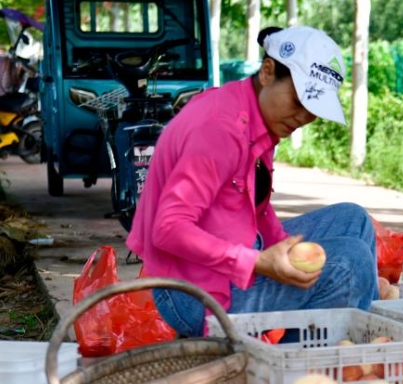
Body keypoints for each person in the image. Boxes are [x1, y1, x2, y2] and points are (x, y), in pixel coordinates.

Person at [127, 25, 378, 337]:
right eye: (298, 102)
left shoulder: (258, 117)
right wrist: (258, 261)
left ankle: (356, 340)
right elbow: (167, 229)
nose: (302, 117)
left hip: (227, 254)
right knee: (351, 263)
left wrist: (279, 247)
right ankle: (294, 371)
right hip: (189, 292)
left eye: (313, 109)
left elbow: (256, 208)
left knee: (353, 220)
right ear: (268, 72)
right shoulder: (221, 128)